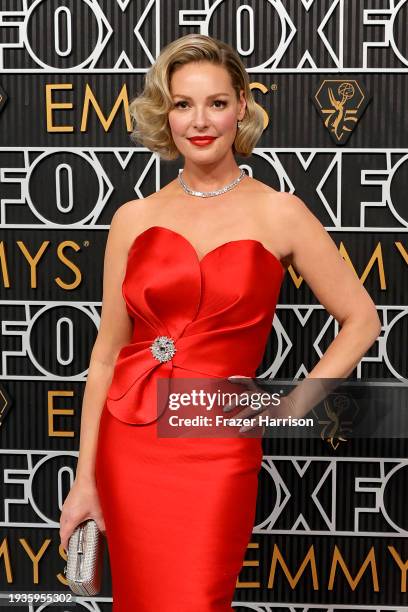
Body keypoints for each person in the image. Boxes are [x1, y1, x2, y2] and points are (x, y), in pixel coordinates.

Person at [59, 33, 381, 611]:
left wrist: (288, 408)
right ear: (166, 114)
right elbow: (106, 355)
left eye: (215, 102)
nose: (199, 121)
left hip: (217, 446)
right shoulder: (134, 218)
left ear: (241, 107)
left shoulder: (278, 211)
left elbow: (361, 319)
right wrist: (85, 480)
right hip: (128, 447)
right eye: (183, 104)